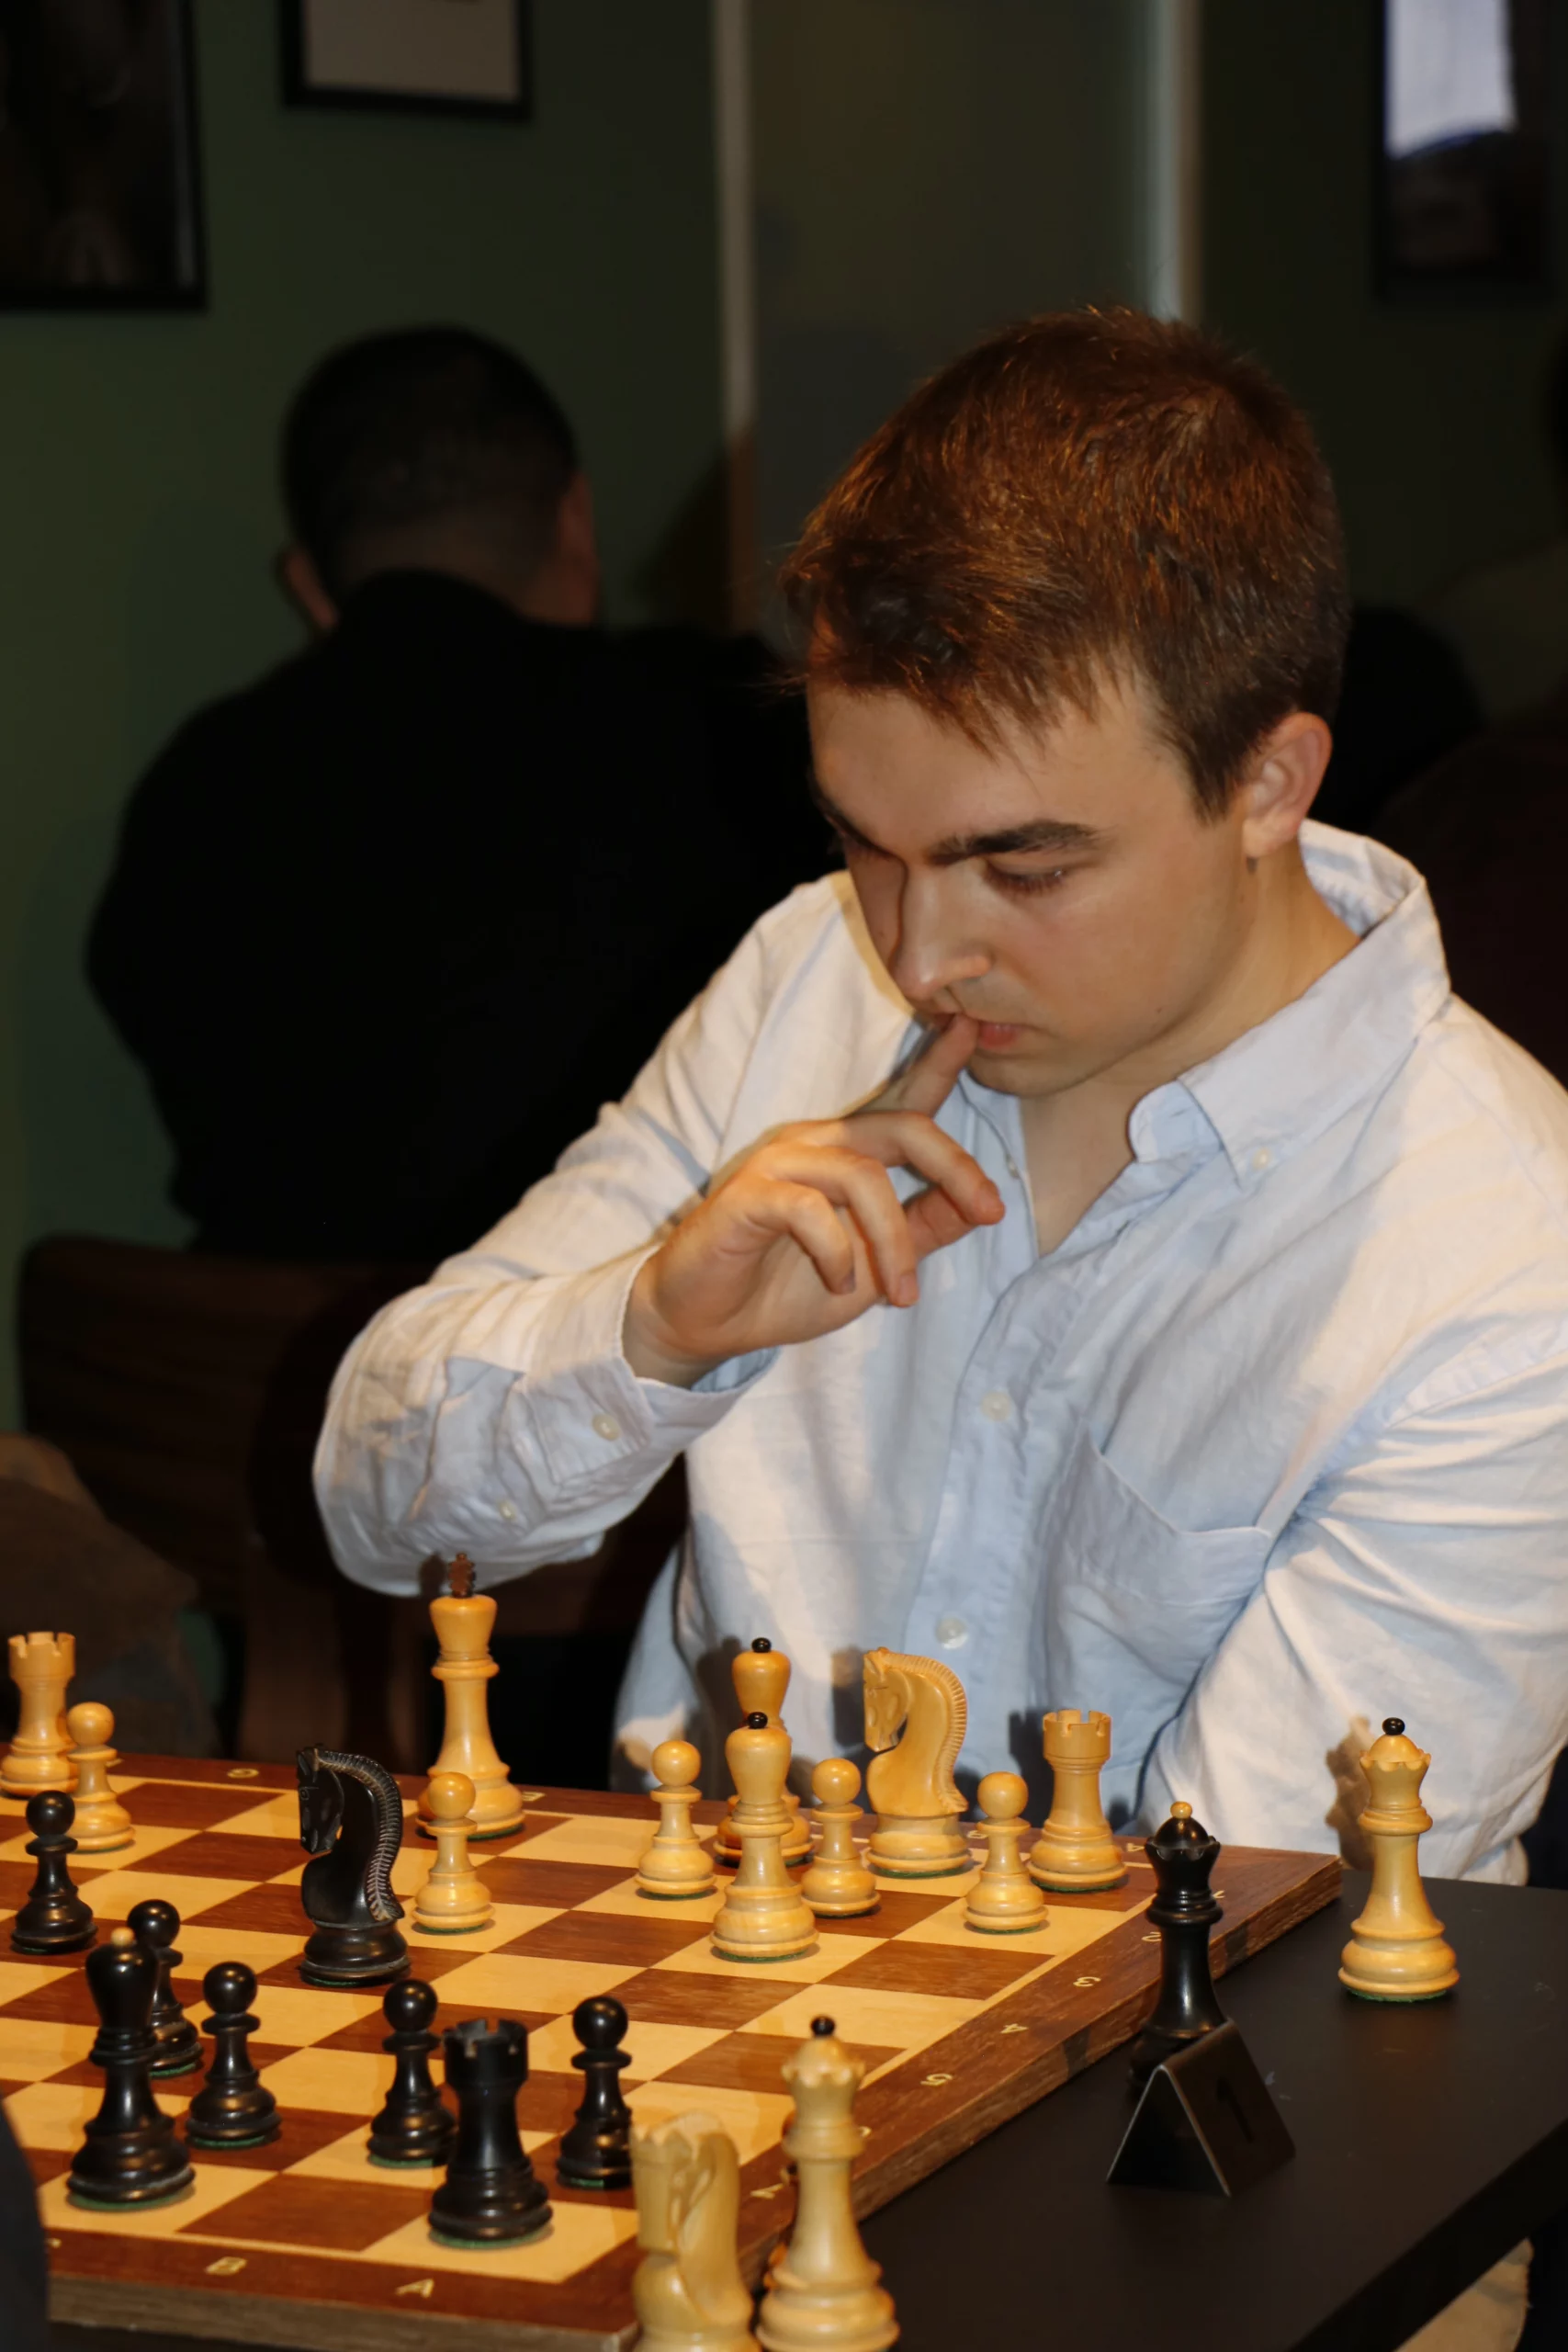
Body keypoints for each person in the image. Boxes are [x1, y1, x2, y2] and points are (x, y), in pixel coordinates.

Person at [316, 311, 1568, 1881]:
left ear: (1265, 782)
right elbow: (373, 1507)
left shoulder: (1507, 1264)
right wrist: (648, 1335)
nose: (916, 955)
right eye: (864, 840)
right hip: (712, 1969)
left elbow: (1250, 1934)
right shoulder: (808, 972)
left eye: (1020, 867)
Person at [88, 327, 820, 1262]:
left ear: (311, 588)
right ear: (575, 521)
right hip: (606, 1327)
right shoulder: (729, 728)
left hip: (233, 1344)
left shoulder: (191, 793)